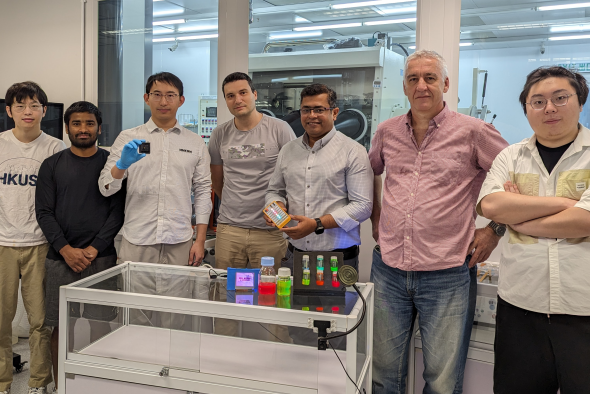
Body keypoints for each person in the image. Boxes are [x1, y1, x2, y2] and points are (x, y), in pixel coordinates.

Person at [368, 49, 508, 394]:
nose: (421, 86)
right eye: (413, 78)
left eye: (430, 78)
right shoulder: (386, 132)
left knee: (442, 381)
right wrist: (376, 216)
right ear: (404, 86)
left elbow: (515, 177)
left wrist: (494, 230)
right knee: (383, 374)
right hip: (388, 270)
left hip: (446, 274)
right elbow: (370, 172)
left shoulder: (474, 132)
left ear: (445, 83)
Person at [477, 66, 590, 394]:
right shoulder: (510, 155)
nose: (549, 108)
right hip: (520, 308)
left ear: (580, 102)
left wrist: (519, 216)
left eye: (560, 98)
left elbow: (586, 220)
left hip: (583, 309)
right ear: (526, 108)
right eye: (537, 101)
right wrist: (568, 205)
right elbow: (491, 206)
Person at [99, 72, 212, 327]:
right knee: (136, 315)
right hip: (138, 238)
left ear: (181, 100)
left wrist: (200, 240)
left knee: (176, 315)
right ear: (146, 98)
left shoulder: (194, 142)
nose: (164, 101)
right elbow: (105, 186)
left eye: (170, 95)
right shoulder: (129, 138)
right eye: (157, 94)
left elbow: (204, 190)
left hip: (180, 239)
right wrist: (121, 165)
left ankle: (170, 366)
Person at [35, 101, 125, 389]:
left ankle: (96, 383)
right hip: (61, 258)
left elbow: (119, 211)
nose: (83, 129)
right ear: (67, 128)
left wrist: (95, 248)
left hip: (102, 260)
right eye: (76, 123)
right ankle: (63, 384)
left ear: (99, 128)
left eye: (89, 123)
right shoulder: (52, 165)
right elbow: (44, 212)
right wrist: (65, 249)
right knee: (62, 326)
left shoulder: (113, 164)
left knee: (101, 324)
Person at [265, 83, 373, 276]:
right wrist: (276, 207)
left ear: (334, 112)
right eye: (306, 110)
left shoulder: (353, 151)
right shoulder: (288, 150)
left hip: (337, 259)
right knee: (290, 306)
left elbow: (362, 206)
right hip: (294, 255)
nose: (312, 115)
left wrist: (317, 224)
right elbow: (275, 190)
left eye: (319, 109)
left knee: (340, 307)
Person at [0, 82, 66, 394]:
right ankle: (2, 382)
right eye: (21, 105)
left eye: (35, 105)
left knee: (41, 320)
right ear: (9, 110)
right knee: (1, 321)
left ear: (43, 110)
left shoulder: (55, 149)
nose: (28, 111)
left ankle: (39, 383)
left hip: (41, 245)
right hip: (2, 244)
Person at [209, 72, 295, 270]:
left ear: (255, 94)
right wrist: (236, 203)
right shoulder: (219, 134)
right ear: (225, 101)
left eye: (243, 93)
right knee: (227, 291)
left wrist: (282, 215)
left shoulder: (280, 129)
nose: (237, 100)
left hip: (271, 228)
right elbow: (217, 180)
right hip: (230, 228)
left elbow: (293, 177)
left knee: (272, 293)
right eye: (230, 96)